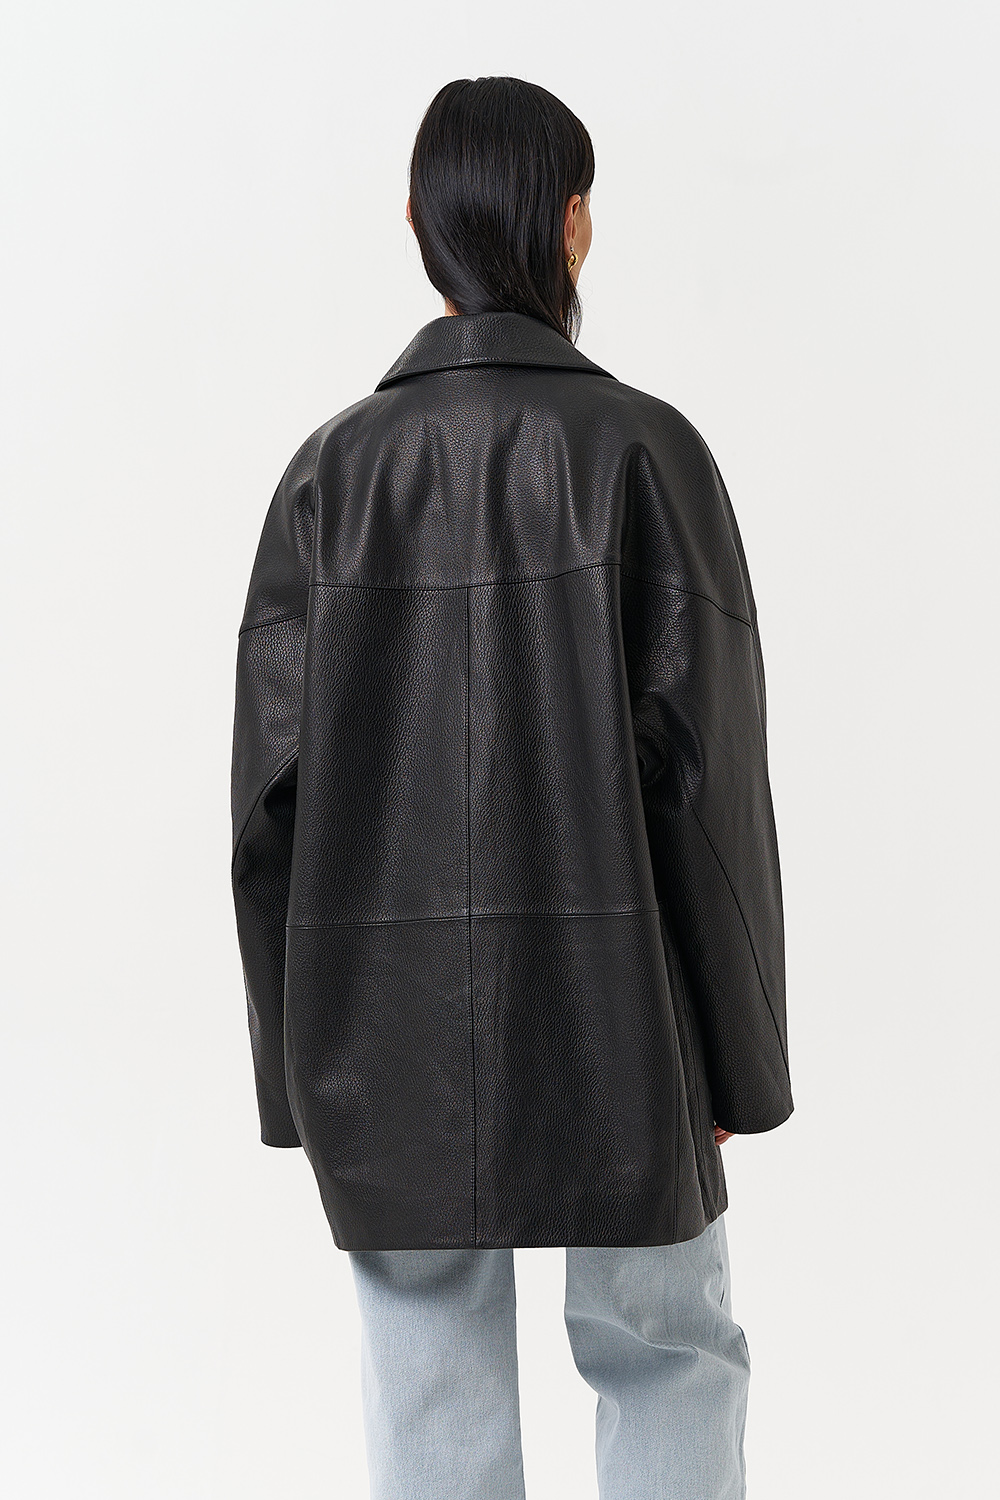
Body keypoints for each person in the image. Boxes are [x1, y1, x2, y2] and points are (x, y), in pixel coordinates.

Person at [230, 74, 793, 1500]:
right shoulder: (647, 453)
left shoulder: (329, 476)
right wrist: (736, 1054)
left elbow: (268, 806)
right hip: (625, 999)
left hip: (384, 1017)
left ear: (417, 226)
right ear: (575, 224)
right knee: (665, 1342)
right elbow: (708, 792)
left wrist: (296, 1070)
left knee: (425, 1359)